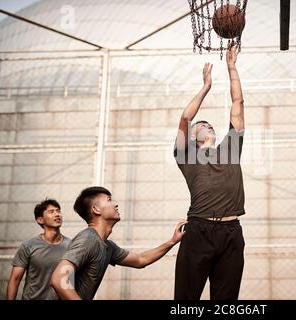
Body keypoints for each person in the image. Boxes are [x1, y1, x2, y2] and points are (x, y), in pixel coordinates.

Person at [173, 43, 246, 300]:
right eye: (201, 124)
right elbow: (185, 117)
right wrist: (206, 87)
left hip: (231, 232)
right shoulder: (187, 156)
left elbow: (238, 103)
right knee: (186, 300)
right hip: (199, 230)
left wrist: (231, 67)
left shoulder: (230, 149)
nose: (206, 126)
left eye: (209, 124)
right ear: (193, 137)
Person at [50, 186, 186, 300]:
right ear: (96, 209)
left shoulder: (107, 246)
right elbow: (59, 280)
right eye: (109, 200)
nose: (115, 204)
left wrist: (172, 241)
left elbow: (140, 260)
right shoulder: (88, 239)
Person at [6, 199, 70, 300]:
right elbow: (15, 279)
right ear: (40, 220)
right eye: (51, 212)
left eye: (58, 211)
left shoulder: (71, 246)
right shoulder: (28, 246)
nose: (57, 214)